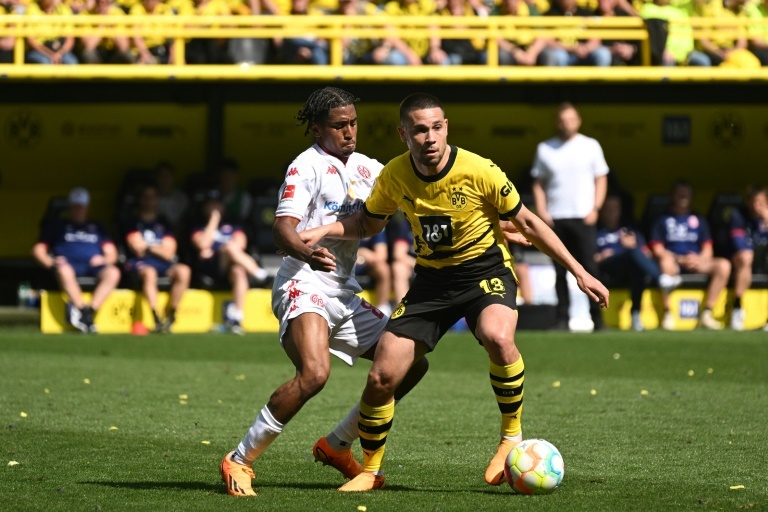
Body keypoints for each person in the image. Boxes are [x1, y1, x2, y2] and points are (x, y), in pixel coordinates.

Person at [299, 93, 609, 492]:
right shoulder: (394, 174)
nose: (429, 137)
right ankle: (370, 472)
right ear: (403, 134)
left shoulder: (481, 170)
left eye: (436, 127)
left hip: (485, 272)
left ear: (446, 127)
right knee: (382, 376)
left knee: (498, 336)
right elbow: (370, 222)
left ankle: (510, 436)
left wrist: (581, 273)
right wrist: (324, 229)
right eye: (420, 130)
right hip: (431, 283)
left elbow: (529, 223)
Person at [218, 87, 430, 497]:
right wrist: (307, 252)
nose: (349, 132)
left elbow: (419, 199)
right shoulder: (306, 166)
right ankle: (239, 460)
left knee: (410, 363)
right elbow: (282, 228)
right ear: (317, 129)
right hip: (303, 280)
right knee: (314, 374)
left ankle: (337, 445)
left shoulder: (371, 167)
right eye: (339, 125)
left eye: (353, 123)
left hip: (344, 292)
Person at [531, 102, 609, 331]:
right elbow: (538, 182)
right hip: (555, 218)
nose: (567, 124)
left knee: (590, 269)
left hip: (583, 217)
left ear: (579, 120)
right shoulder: (545, 148)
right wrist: (542, 211)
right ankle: (562, 320)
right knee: (559, 272)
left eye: (571, 119)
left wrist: (596, 208)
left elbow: (601, 178)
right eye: (563, 120)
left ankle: (598, 319)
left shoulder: (591, 146)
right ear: (557, 122)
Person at [32, 187, 121, 333]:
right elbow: (38, 250)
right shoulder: (57, 226)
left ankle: (89, 312)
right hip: (68, 265)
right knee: (64, 270)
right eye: (75, 206)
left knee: (113, 273)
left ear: (87, 207)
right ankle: (81, 308)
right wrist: (51, 262)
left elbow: (112, 253)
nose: (79, 209)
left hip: (93, 266)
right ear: (70, 207)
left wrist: (104, 259)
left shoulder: (97, 227)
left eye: (81, 206)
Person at [649, 180, 731, 330]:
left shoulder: (699, 219)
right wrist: (679, 259)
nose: (683, 197)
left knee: (723, 265)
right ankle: (668, 313)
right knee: (665, 262)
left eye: (687, 194)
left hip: (696, 261)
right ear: (672, 195)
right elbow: (657, 249)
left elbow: (707, 248)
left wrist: (699, 259)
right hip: (674, 261)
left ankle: (707, 313)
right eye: (680, 194)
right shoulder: (662, 219)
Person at [191, 191, 268, 334]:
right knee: (229, 247)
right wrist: (214, 220)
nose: (215, 208)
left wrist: (215, 248)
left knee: (238, 270)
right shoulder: (198, 225)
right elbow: (202, 244)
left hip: (232, 265)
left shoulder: (233, 224)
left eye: (217, 204)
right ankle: (260, 275)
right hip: (212, 267)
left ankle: (236, 318)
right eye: (211, 205)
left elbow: (240, 244)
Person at [595, 195, 672, 331]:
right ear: (602, 210)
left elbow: (646, 254)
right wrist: (602, 255)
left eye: (615, 208)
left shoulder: (629, 230)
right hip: (606, 267)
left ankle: (635, 314)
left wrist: (633, 245)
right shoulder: (595, 231)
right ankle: (661, 279)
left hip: (629, 268)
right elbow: (586, 259)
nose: (611, 212)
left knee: (635, 263)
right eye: (608, 209)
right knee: (633, 257)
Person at [123, 184, 191, 333]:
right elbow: (136, 248)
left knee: (184, 270)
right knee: (150, 273)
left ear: (157, 200)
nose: (149, 201)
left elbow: (169, 253)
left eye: (152, 197)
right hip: (140, 265)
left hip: (164, 265)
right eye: (146, 197)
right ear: (141, 200)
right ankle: (156, 317)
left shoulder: (164, 223)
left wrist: (148, 247)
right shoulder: (132, 222)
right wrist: (157, 248)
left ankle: (172, 315)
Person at [727, 186, 768, 330]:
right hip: (741, 260)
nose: (757, 206)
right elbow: (739, 244)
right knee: (746, 256)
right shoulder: (738, 216)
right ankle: (737, 307)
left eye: (761, 203)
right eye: (754, 202)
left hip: (764, 261)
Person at [25, 0, 78, 65]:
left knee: (71, 62)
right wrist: (50, 54)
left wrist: (59, 54)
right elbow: (31, 40)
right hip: (40, 50)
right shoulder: (32, 8)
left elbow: (70, 39)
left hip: (60, 48)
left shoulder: (63, 9)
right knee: (45, 62)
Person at [357, 232, 393, 316]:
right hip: (343, 265)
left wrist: (362, 256)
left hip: (367, 266)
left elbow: (381, 256)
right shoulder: (341, 224)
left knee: (383, 268)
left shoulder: (374, 225)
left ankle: (382, 309)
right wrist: (361, 252)